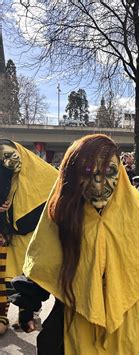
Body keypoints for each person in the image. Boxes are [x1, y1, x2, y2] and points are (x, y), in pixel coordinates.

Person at [9, 134, 139, 354]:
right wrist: (28, 304)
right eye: (88, 172)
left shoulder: (134, 210)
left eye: (109, 172)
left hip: (131, 318)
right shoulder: (63, 214)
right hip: (78, 316)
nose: (99, 184)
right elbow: (45, 258)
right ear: (73, 175)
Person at [0, 140, 58, 335]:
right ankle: (5, 313)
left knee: (28, 271)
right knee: (7, 270)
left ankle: (27, 313)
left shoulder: (8, 151)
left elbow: (9, 169)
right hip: (13, 224)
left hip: (31, 222)